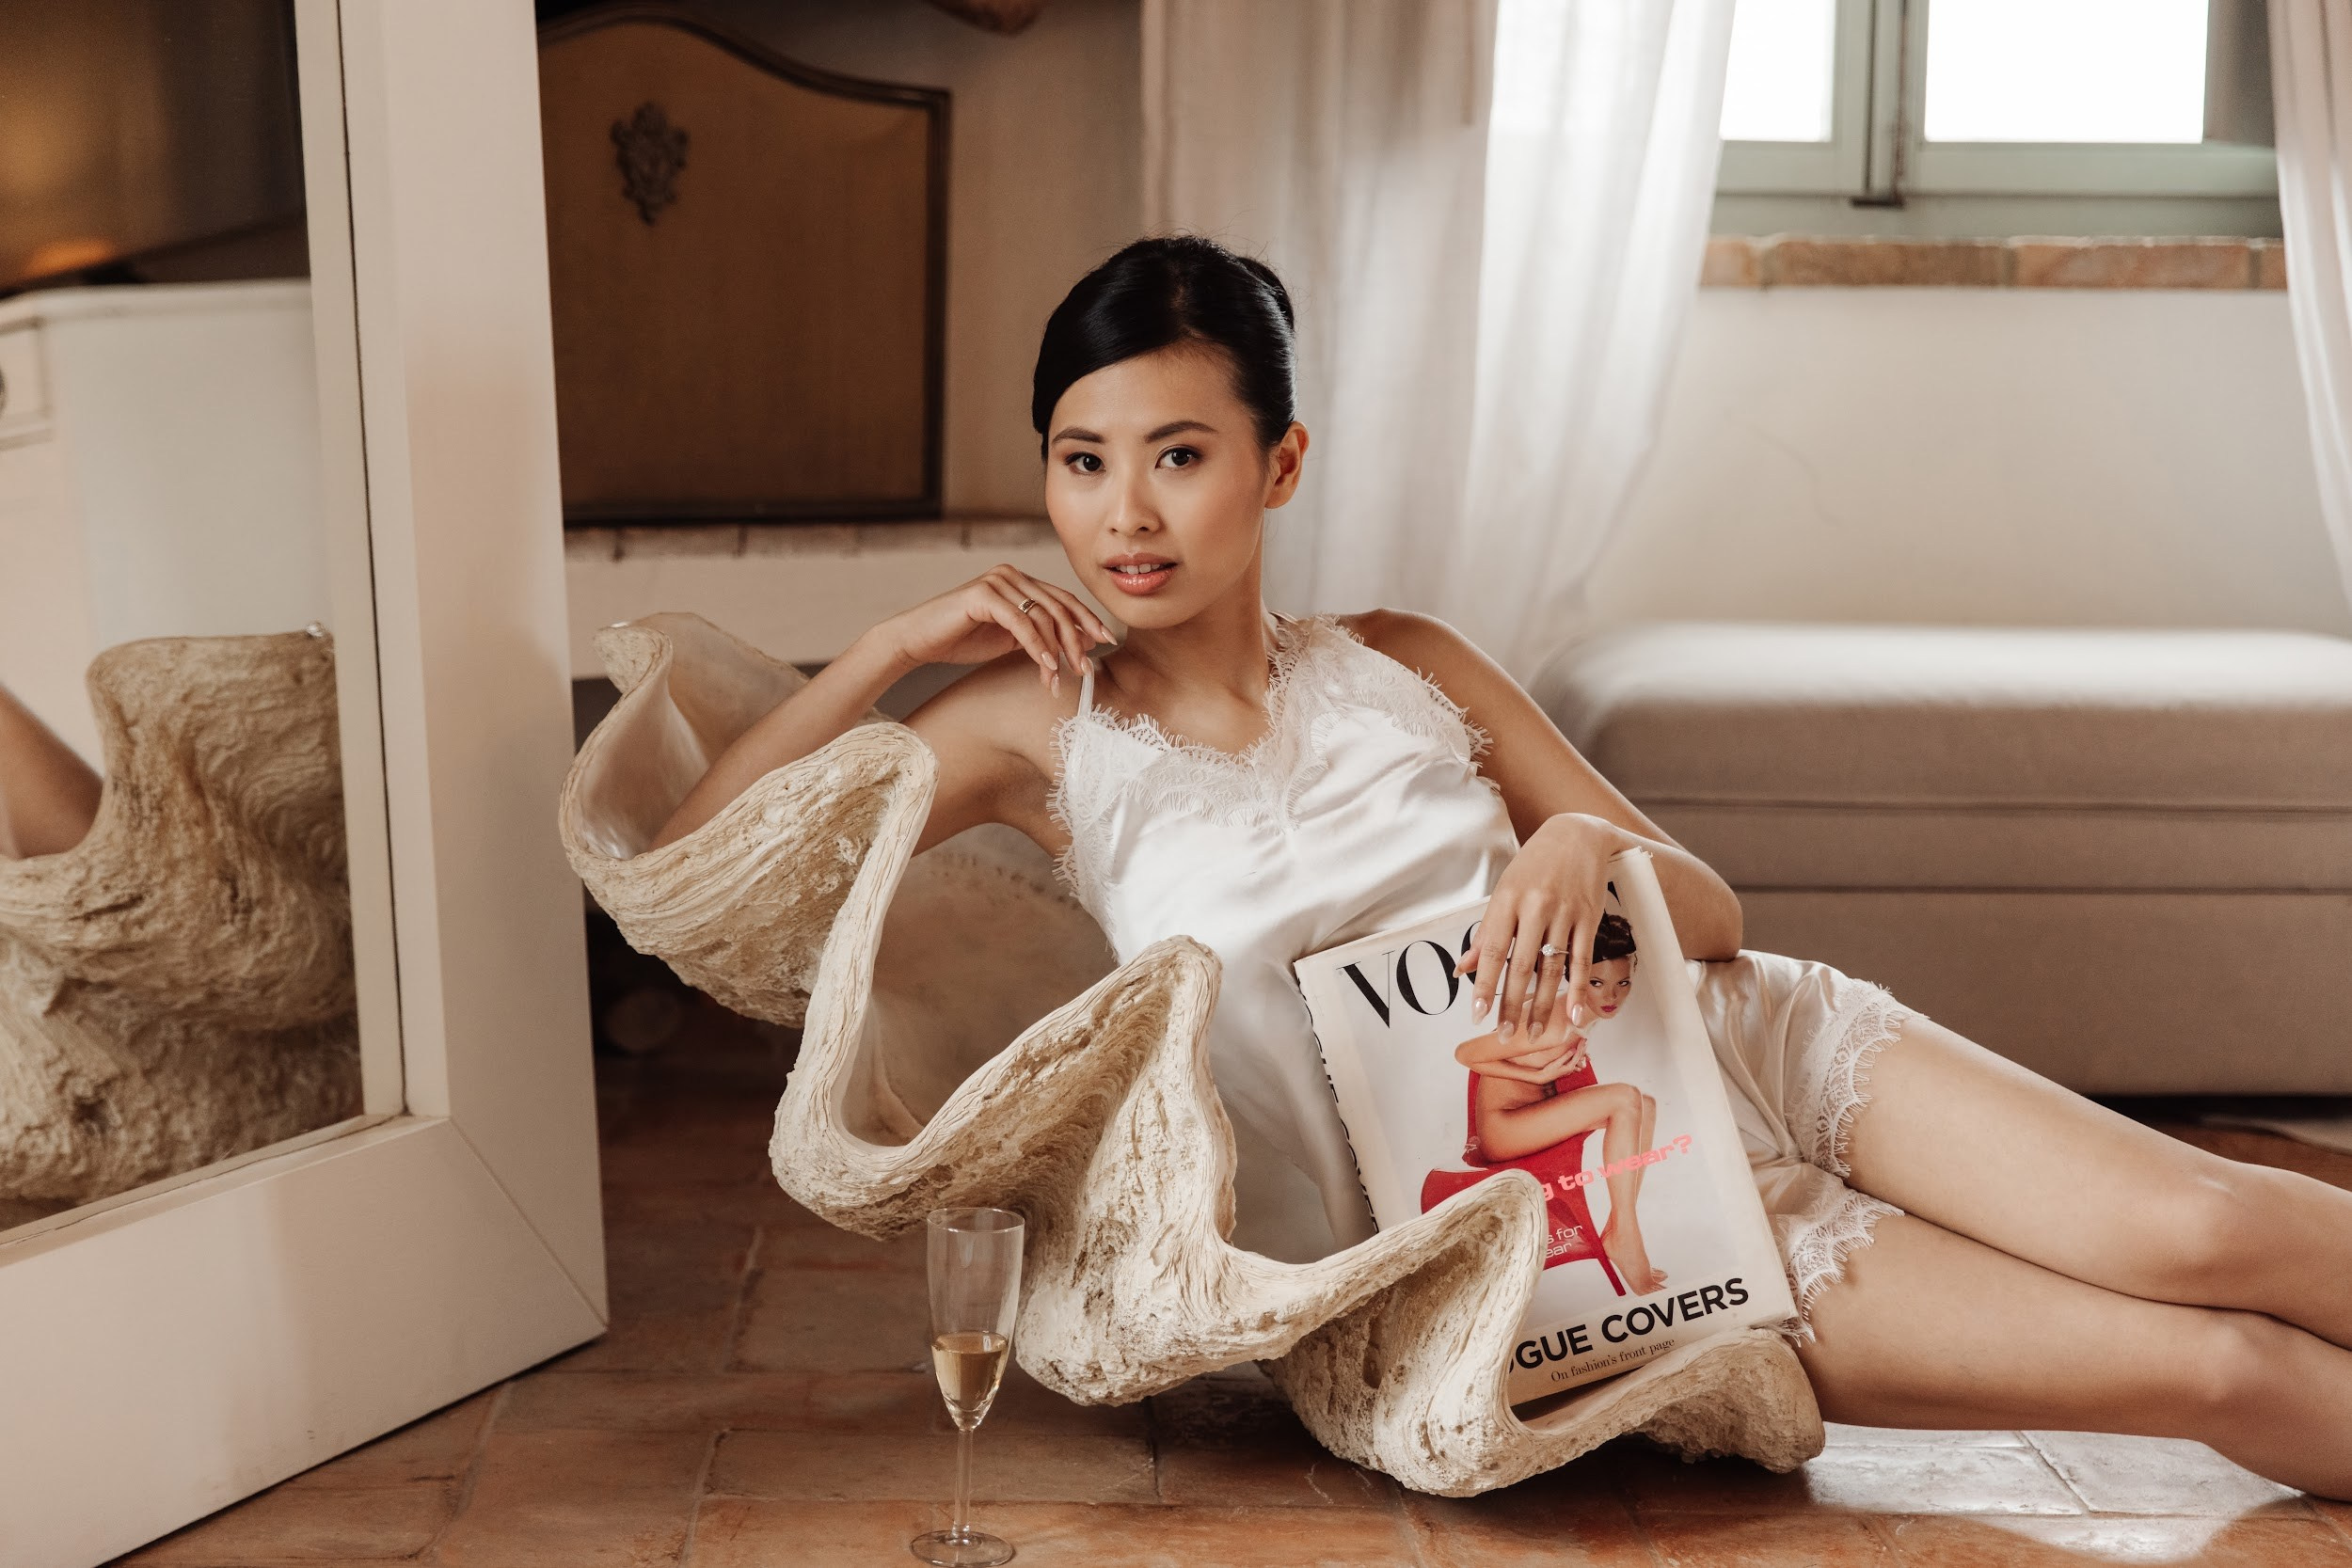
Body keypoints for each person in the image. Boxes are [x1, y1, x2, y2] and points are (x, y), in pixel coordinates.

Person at [652, 235, 2352, 1497]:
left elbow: (1710, 909)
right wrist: (888, 646)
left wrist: (1586, 842)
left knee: (2210, 1222)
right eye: (1083, 462)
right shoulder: (1035, 732)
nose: (1126, 515)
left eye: (1178, 453)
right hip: (1582, 1223)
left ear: (1278, 464)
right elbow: (695, 860)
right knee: (2202, 1364)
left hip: (1746, 1036)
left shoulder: (1414, 656)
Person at [1453, 911, 1663, 1291]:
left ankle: (1618, 1226)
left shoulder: (1582, 1010)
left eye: (1623, 983)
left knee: (1644, 1106)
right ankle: (1628, 1235)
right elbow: (1465, 1053)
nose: (1611, 997)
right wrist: (1536, 1076)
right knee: (1625, 1099)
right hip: (1505, 1128)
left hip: (1532, 1112)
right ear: (1576, 974)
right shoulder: (1554, 1022)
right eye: (1596, 983)